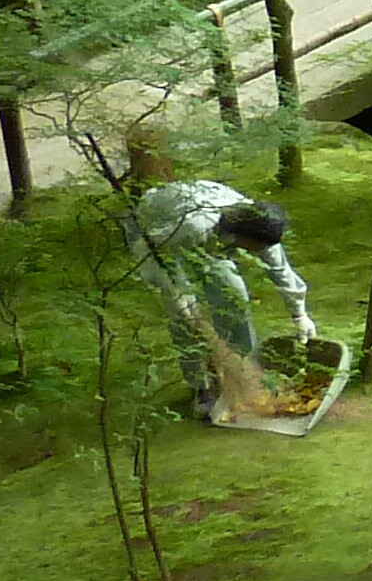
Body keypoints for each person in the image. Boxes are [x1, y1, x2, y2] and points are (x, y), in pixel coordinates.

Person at [129, 176, 315, 425]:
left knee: (235, 297)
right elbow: (154, 254)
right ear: (242, 237)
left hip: (208, 238)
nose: (258, 253)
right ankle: (200, 387)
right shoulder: (191, 227)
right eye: (254, 248)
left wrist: (299, 314)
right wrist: (176, 292)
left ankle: (246, 376)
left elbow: (281, 270)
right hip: (159, 230)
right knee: (183, 318)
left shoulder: (261, 224)